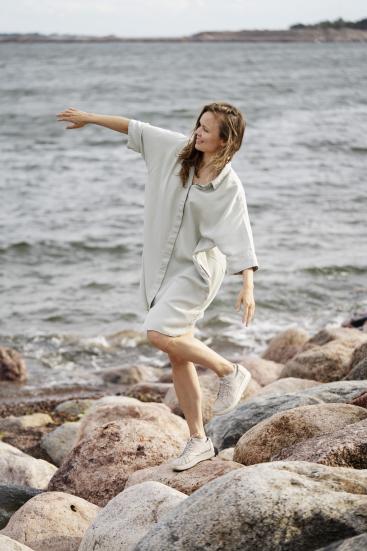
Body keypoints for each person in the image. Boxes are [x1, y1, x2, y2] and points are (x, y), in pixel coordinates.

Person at [56, 101, 259, 471]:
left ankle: (230, 371)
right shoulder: (176, 150)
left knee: (157, 332)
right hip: (161, 268)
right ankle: (198, 441)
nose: (197, 132)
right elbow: (136, 127)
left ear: (224, 140)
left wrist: (247, 284)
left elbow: (239, 233)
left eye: (206, 129)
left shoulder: (227, 184)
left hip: (196, 271)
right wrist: (89, 118)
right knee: (177, 355)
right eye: (198, 124)